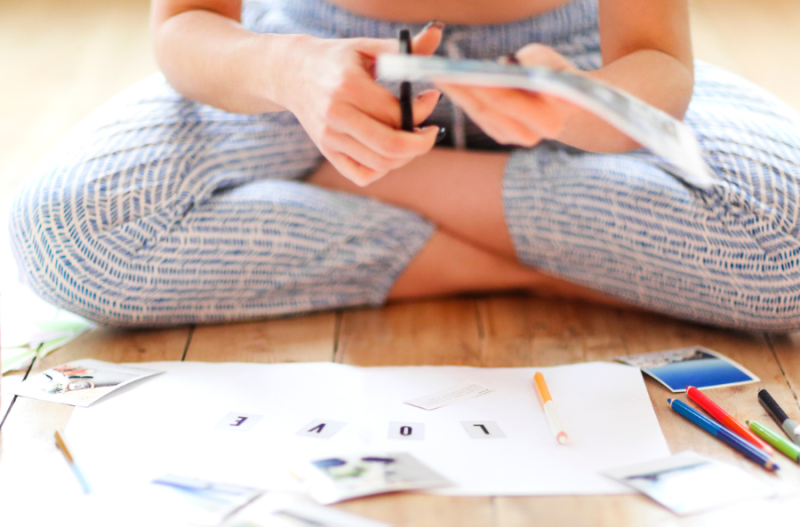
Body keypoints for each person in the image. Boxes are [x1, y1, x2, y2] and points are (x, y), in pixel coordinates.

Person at [9, 0, 800, 331]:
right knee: (66, 234)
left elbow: (656, 63)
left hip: (573, 60)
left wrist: (576, 105)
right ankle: (557, 267)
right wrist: (289, 72)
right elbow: (187, 26)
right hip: (315, 59)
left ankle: (376, 188)